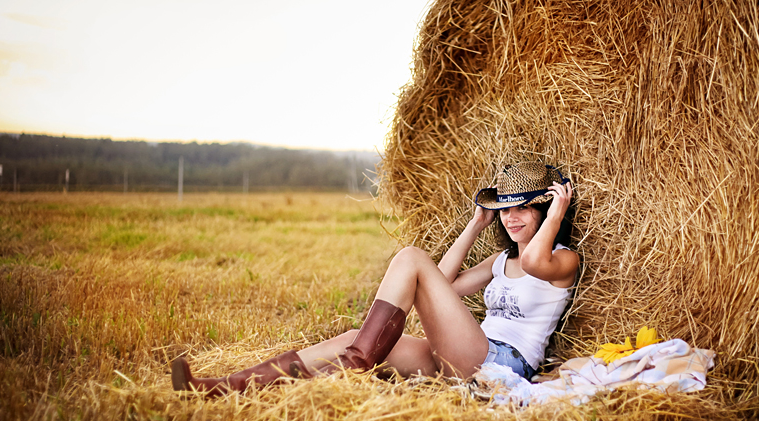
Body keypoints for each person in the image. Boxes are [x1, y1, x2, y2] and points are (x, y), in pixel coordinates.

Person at [172, 161, 579, 396]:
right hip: (467, 352)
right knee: (353, 336)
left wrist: (559, 210)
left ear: (544, 211)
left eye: (523, 208)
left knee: (410, 259)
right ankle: (223, 387)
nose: (510, 217)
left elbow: (537, 261)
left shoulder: (562, 261)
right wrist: (475, 225)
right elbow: (441, 286)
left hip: (500, 365)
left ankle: (356, 365)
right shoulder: (498, 260)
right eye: (504, 209)